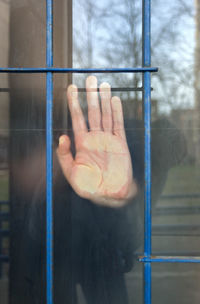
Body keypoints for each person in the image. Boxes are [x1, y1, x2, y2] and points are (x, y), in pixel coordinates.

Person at [10, 76, 186, 304]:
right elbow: (141, 211)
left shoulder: (135, 141)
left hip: (71, 234)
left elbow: (135, 207)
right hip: (86, 238)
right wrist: (124, 247)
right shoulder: (142, 151)